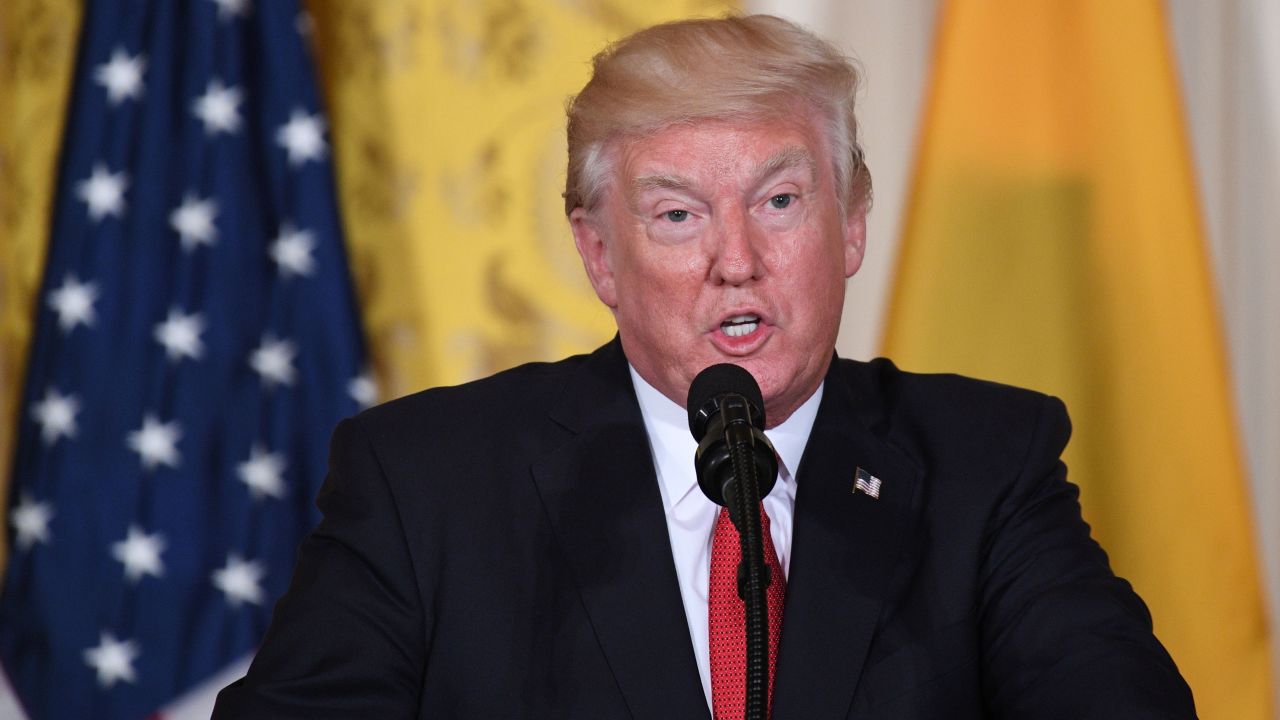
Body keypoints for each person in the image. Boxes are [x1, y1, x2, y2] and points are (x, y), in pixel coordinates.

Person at [213, 14, 1196, 719]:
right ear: (599, 252)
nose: (736, 259)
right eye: (677, 214)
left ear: (849, 223)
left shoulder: (984, 465)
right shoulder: (427, 480)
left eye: (777, 201)